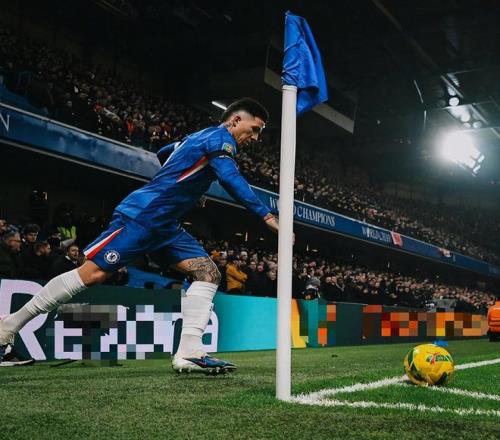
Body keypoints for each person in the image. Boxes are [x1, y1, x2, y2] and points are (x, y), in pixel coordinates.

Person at [0, 98, 279, 372]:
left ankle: (190, 352)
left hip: (166, 225)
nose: (255, 137)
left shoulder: (198, 137)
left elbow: (165, 152)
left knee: (208, 274)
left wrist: (192, 184)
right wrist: (266, 215)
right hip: (144, 215)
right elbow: (231, 178)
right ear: (235, 120)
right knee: (92, 274)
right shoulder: (221, 139)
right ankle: (7, 327)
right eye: (254, 129)